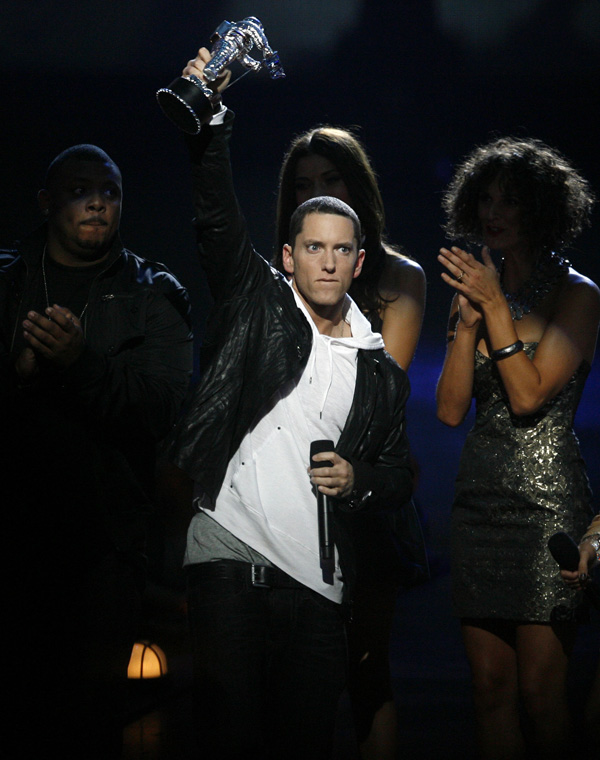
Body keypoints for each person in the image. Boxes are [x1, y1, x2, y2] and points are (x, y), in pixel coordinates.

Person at [166, 50, 415, 760]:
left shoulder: (378, 371)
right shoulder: (256, 307)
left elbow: (398, 475)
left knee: (304, 740)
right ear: (287, 255)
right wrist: (209, 122)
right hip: (228, 557)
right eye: (314, 247)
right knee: (231, 736)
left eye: (342, 250)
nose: (329, 261)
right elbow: (216, 218)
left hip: (318, 582)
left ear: (360, 261)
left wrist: (359, 479)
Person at [1, 144, 193, 756]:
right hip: (16, 534)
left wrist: (78, 364)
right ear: (46, 201)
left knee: (90, 718)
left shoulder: (152, 293)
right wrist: (21, 372)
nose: (97, 203)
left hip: (105, 543)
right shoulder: (8, 282)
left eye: (109, 191)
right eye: (81, 189)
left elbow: (163, 407)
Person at [436, 136, 599, 759]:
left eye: (510, 201)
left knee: (540, 693)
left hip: (547, 509)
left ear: (541, 209)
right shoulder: (476, 293)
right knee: (489, 688)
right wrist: (469, 323)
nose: (493, 213)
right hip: (479, 507)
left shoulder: (579, 294)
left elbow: (529, 397)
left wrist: (494, 306)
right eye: (485, 200)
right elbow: (450, 410)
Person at [275, 127, 427, 758]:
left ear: (356, 186)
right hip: (284, 486)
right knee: (287, 676)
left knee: (366, 666)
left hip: (364, 483)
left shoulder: (398, 277)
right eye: (304, 186)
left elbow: (381, 394)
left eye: (330, 181)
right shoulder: (279, 280)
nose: (318, 193)